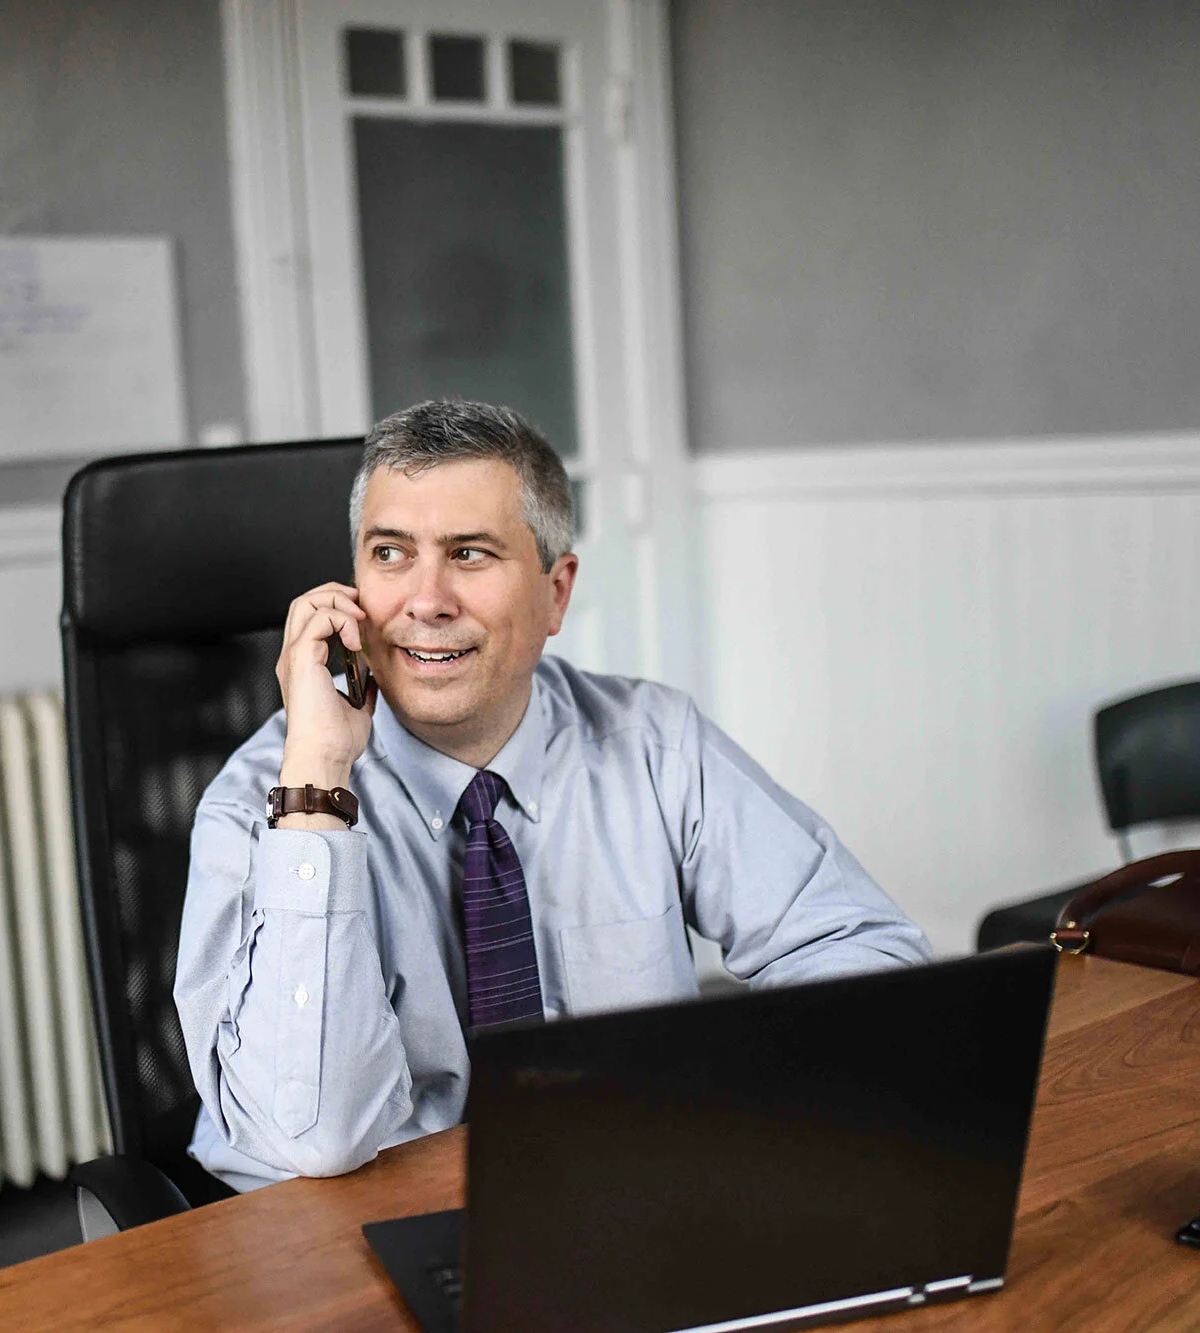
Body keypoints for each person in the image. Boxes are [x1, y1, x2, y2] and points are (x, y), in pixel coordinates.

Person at [174, 400, 930, 1192]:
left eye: (469, 553)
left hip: (606, 1202)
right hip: (325, 1235)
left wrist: (727, 1103)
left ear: (557, 593)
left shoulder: (651, 743)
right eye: (391, 553)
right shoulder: (269, 803)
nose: (425, 600)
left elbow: (864, 952)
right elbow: (316, 1138)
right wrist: (321, 787)